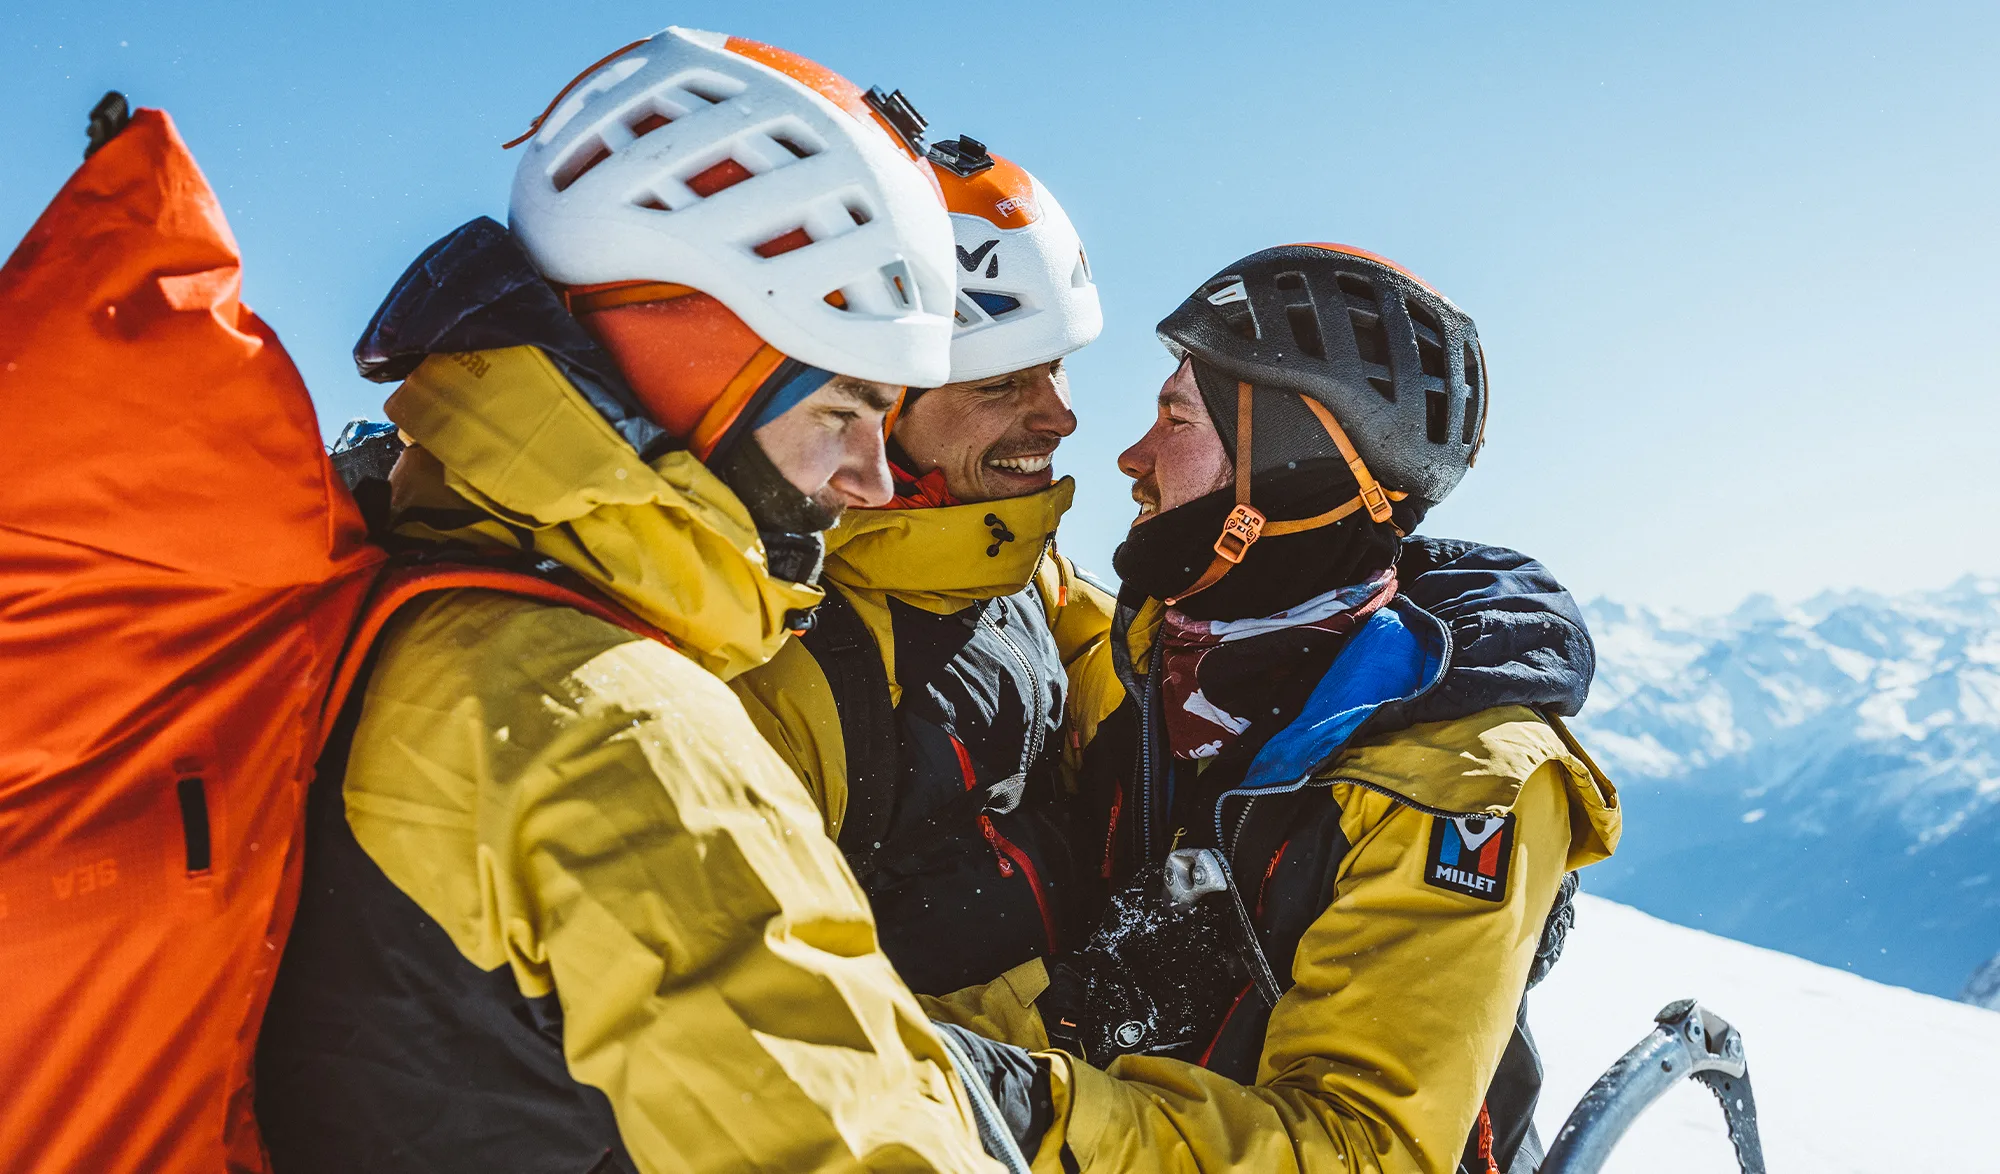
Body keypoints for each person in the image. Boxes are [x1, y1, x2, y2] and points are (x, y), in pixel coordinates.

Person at [253, 28, 1010, 1174]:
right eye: (840, 412)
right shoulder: (616, 724)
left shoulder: (390, 597)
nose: (869, 480)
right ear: (694, 376)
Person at [941, 244, 1622, 1174]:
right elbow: (1031, 598)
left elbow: (1362, 1152)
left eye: (1175, 417)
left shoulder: (1455, 784)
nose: (1132, 459)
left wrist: (1020, 1105)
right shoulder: (1161, 664)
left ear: (1291, 466)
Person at [731, 135, 1117, 997]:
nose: (1059, 418)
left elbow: (1112, 656)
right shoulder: (776, 665)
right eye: (999, 386)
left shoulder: (1009, 564)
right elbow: (788, 1018)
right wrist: (1054, 1072)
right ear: (875, 403)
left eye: (1055, 372)